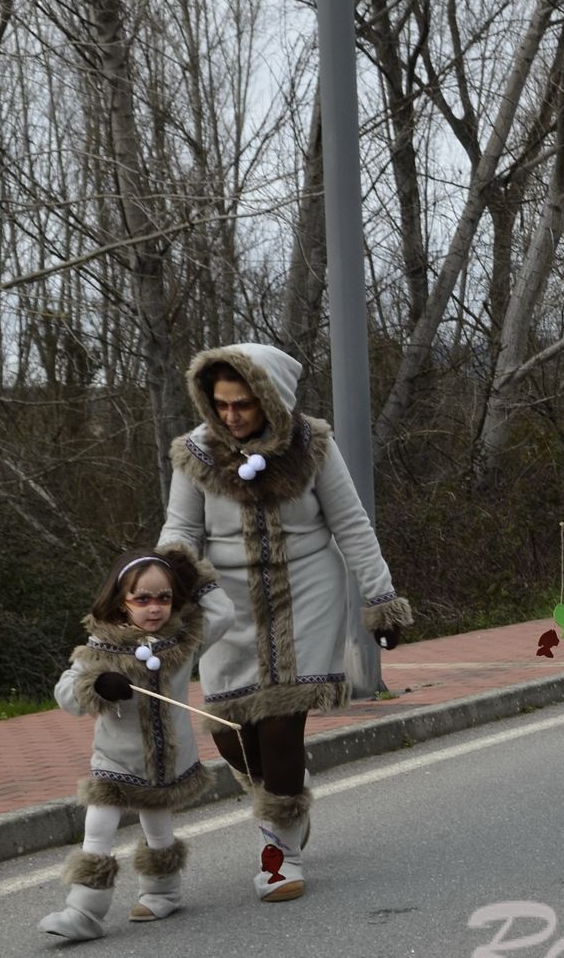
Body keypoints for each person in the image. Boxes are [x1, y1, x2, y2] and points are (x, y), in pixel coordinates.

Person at [158, 343, 412, 902]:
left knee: (279, 723)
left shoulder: (311, 447)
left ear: (270, 400)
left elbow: (351, 523)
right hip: (227, 604)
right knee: (229, 732)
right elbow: (180, 534)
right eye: (220, 404)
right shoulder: (195, 454)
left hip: (307, 594)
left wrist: (381, 599)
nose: (230, 416)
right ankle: (282, 793)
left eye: (243, 404)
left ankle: (279, 853)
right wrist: (161, 601)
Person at [40, 546, 226, 941]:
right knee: (98, 825)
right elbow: (66, 693)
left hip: (167, 762)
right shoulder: (100, 647)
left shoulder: (183, 640)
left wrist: (200, 577)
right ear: (121, 601)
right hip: (115, 761)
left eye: (164, 598)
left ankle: (163, 892)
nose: (154, 608)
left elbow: (225, 616)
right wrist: (95, 685)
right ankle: (84, 911)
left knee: (158, 827)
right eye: (142, 598)